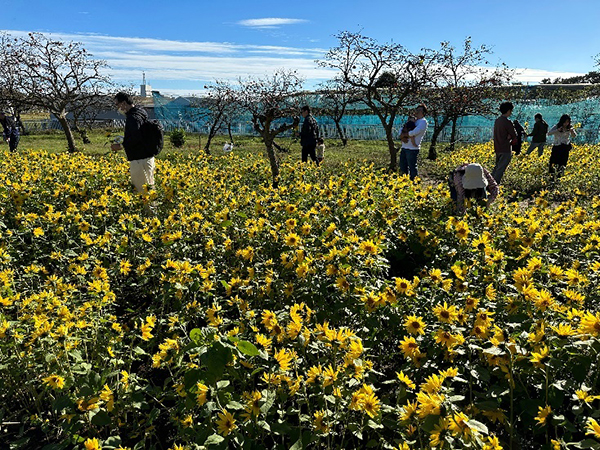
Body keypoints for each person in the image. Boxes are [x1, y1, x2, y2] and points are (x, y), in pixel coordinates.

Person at [111, 92, 156, 194]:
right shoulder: (141, 111)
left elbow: (136, 137)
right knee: (149, 189)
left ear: (123, 103)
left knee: (143, 192)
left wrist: (121, 145)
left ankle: (149, 210)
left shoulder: (133, 118)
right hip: (147, 157)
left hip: (139, 160)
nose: (118, 107)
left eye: (117, 104)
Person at [399, 104, 428, 180]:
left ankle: (414, 183)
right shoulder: (413, 119)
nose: (417, 112)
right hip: (404, 146)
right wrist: (402, 135)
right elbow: (402, 128)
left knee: (412, 167)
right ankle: (404, 182)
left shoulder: (423, 122)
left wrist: (403, 135)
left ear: (423, 112)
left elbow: (415, 132)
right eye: (417, 110)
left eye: (419, 110)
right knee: (403, 166)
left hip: (412, 148)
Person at [492, 102, 517, 184]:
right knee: (500, 169)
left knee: (497, 167)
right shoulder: (507, 122)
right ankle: (494, 186)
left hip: (497, 147)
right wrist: (510, 137)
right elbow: (514, 135)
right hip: (505, 148)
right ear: (509, 110)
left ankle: (489, 183)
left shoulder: (497, 121)